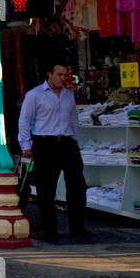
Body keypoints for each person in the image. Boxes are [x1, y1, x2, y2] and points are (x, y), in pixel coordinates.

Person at [18, 62, 88, 241]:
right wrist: (26, 145)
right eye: (59, 74)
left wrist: (75, 140)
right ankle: (50, 230)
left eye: (65, 75)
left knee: (77, 185)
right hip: (45, 142)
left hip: (66, 141)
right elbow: (25, 121)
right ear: (49, 74)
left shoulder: (67, 95)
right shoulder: (34, 95)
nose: (62, 78)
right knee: (46, 188)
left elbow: (73, 119)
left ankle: (77, 228)